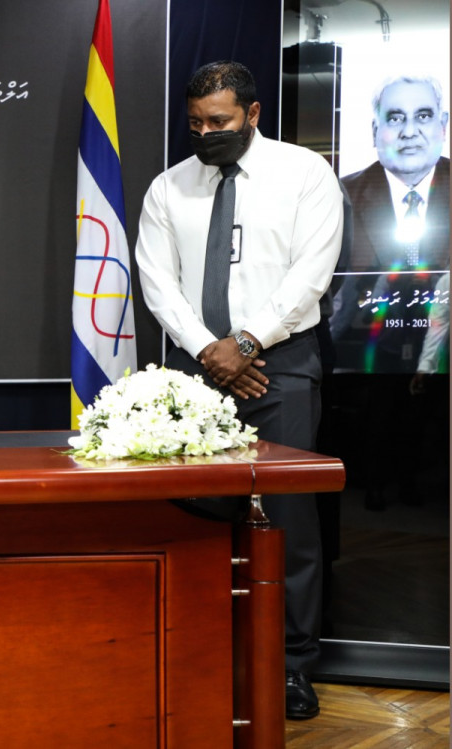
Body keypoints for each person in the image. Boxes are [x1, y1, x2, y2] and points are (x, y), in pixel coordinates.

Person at [134, 61, 343, 720]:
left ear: (253, 114)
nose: (205, 133)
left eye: (219, 121)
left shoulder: (304, 174)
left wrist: (246, 343)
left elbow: (312, 270)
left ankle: (290, 664)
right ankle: (201, 647)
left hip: (279, 362)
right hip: (198, 366)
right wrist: (210, 351)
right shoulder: (168, 189)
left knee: (288, 519)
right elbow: (157, 282)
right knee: (197, 510)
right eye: (195, 123)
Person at [331, 74, 450, 373]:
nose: (409, 132)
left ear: (443, 125)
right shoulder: (337, 195)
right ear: (375, 131)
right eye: (395, 119)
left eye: (423, 116)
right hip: (360, 364)